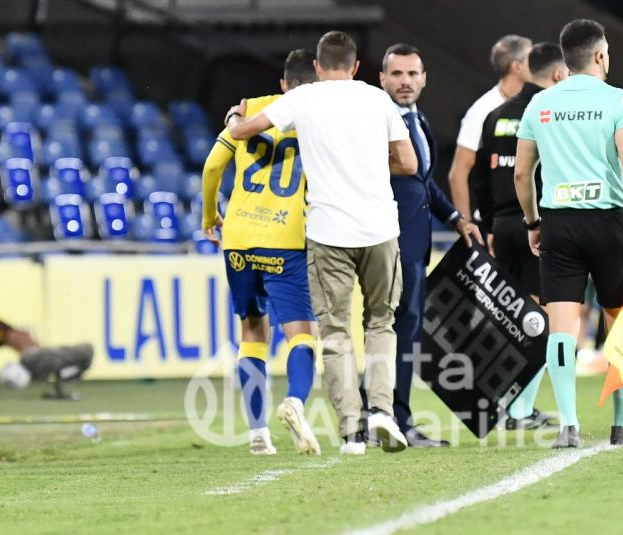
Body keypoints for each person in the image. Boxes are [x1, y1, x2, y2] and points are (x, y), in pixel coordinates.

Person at [226, 31, 418, 455]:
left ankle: (351, 432)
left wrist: (233, 119)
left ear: (316, 66)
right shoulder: (376, 98)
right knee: (381, 323)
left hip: (328, 233)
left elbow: (245, 133)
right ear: (354, 67)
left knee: (334, 332)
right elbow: (409, 162)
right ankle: (383, 412)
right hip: (380, 228)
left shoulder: (303, 99)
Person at [514, 19, 623, 448]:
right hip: (608, 222)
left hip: (559, 224)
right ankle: (621, 425)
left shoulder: (540, 104)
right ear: (599, 55)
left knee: (561, 329)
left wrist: (533, 222)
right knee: (621, 326)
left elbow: (523, 173)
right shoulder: (621, 100)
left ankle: (568, 426)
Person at [201, 49, 322, 456]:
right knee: (301, 334)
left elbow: (212, 168)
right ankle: (296, 402)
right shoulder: (321, 115)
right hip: (286, 239)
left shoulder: (251, 109)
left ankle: (257, 433)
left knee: (252, 334)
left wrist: (209, 215)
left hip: (238, 237)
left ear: (284, 84)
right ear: (318, 80)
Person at [376, 43, 483, 447]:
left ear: (424, 79)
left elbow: (422, 183)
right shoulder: (375, 123)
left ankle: (379, 412)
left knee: (401, 330)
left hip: (416, 244)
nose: (405, 82)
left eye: (412, 74)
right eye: (397, 74)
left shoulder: (417, 119)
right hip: (388, 243)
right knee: (397, 330)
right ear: (382, 79)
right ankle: (395, 419)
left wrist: (455, 218)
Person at [472, 42, 568, 431]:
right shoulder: (550, 114)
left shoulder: (495, 115)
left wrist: (491, 227)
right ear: (559, 75)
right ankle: (517, 409)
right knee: (543, 321)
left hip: (503, 227)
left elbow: (478, 177)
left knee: (514, 319)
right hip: (537, 226)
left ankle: (513, 405)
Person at [448, 35, 533, 221]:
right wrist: (466, 228)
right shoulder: (481, 111)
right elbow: (458, 172)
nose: (536, 63)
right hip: (496, 223)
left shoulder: (536, 103)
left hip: (532, 218)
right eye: (531, 58)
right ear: (516, 66)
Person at [0, 317, 92, 397]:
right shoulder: (14, 334)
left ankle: (61, 381)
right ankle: (61, 383)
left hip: (35, 358)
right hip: (36, 357)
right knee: (84, 351)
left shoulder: (12, 335)